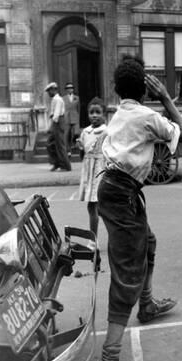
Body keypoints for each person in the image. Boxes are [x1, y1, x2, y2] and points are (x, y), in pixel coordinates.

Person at [95, 55, 182, 361]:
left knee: (147, 242)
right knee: (127, 271)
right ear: (146, 90)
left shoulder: (119, 113)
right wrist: (166, 97)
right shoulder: (148, 115)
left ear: (117, 89)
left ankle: (147, 305)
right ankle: (108, 359)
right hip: (123, 192)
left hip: (114, 188)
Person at [76, 97, 108, 253]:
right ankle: (93, 240)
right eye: (91, 112)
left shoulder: (107, 131)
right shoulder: (86, 132)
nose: (94, 115)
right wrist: (80, 147)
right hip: (89, 170)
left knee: (99, 206)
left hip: (100, 170)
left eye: (98, 112)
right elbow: (84, 150)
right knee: (92, 207)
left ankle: (96, 240)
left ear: (104, 114)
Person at [44, 82, 71, 172]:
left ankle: (65, 166)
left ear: (54, 90)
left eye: (49, 91)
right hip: (56, 123)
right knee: (50, 144)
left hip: (58, 122)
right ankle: (56, 163)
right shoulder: (54, 100)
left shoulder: (58, 100)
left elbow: (56, 115)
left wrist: (50, 127)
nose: (48, 93)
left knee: (60, 145)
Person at [62, 82, 80, 156]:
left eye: (71, 88)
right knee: (67, 134)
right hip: (67, 117)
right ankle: (68, 150)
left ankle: (75, 144)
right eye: (68, 88)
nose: (70, 89)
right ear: (66, 90)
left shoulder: (77, 97)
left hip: (75, 117)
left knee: (76, 133)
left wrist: (78, 117)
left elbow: (79, 108)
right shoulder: (63, 98)